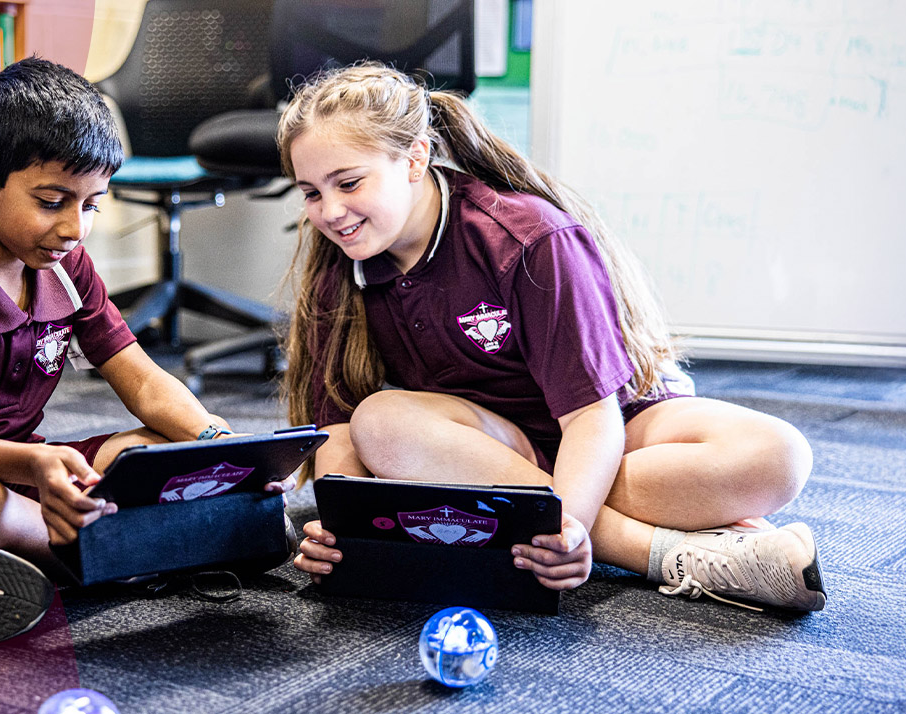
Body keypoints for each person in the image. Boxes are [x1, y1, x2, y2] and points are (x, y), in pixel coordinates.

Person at [275, 63, 824, 612]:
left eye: (348, 183)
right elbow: (341, 424)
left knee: (779, 456)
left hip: (612, 424)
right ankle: (675, 553)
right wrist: (338, 524)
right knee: (382, 422)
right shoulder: (344, 259)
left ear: (416, 158)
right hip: (489, 440)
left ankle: (528, 508)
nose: (330, 211)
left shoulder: (529, 238)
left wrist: (573, 522)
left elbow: (592, 416)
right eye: (311, 193)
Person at [0, 58, 289, 643]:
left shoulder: (68, 266)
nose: (74, 228)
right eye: (52, 200)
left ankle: (15, 558)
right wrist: (33, 465)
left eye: (91, 205)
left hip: (18, 469)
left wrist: (223, 448)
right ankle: (140, 550)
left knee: (153, 451)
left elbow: (141, 380)